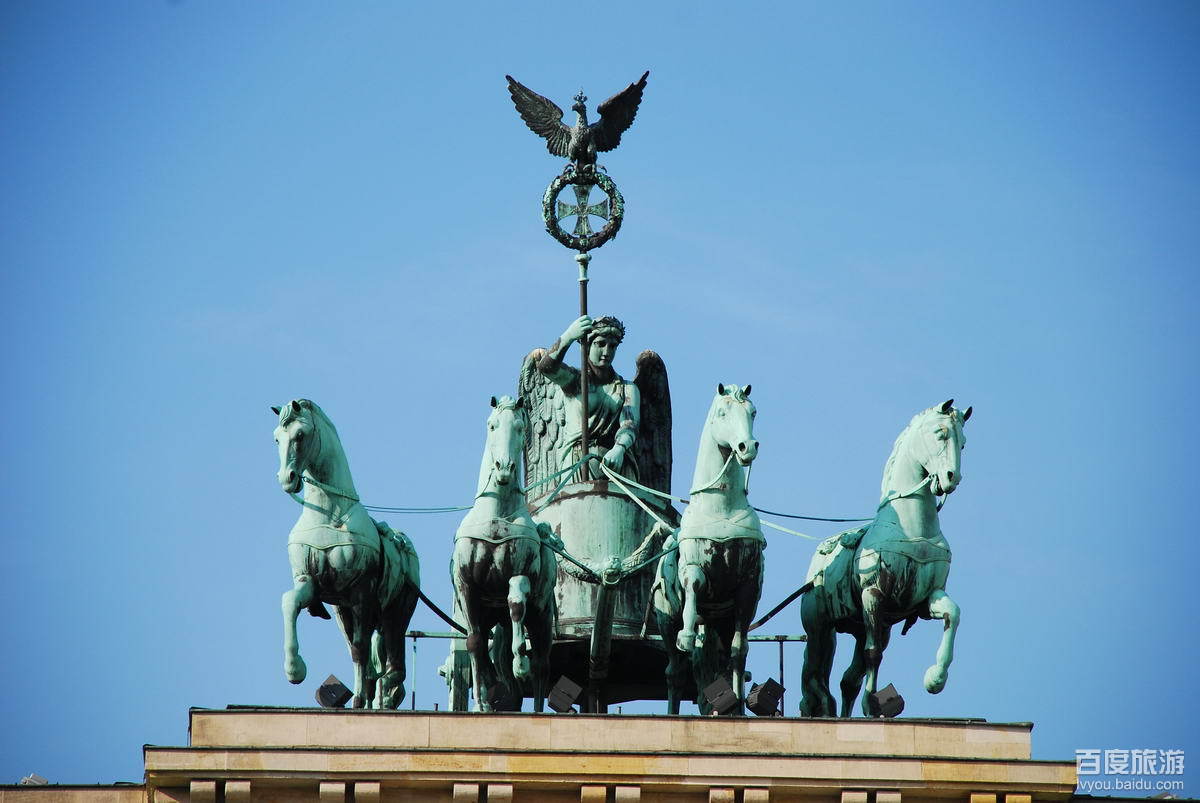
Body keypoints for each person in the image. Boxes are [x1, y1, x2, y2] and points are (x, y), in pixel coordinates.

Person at [538, 314, 640, 481]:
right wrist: (569, 336)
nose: (607, 352)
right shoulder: (575, 382)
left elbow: (629, 425)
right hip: (577, 464)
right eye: (600, 344)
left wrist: (619, 448)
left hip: (616, 465)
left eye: (612, 346)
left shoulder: (627, 388)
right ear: (586, 346)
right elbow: (546, 367)